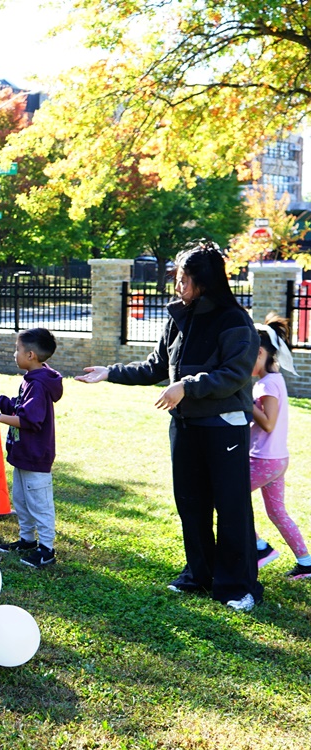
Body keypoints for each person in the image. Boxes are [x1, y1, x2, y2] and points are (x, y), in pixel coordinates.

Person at [76, 239, 263, 611]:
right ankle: (198, 575)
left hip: (224, 426)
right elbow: (155, 367)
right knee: (191, 503)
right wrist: (110, 372)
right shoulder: (179, 317)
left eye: (184, 279)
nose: (178, 285)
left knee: (231, 507)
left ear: (205, 281)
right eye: (178, 277)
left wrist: (186, 386)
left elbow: (234, 375)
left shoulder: (235, 320)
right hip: (185, 425)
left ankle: (238, 586)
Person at [0, 328, 63, 567]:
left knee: (40, 504)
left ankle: (47, 549)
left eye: (17, 349)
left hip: (36, 457)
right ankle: (27, 540)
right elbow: (20, 406)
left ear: (30, 355)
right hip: (23, 454)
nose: (15, 354)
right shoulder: (31, 379)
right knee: (22, 501)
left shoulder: (39, 385)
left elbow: (30, 420)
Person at [248, 313, 311, 579]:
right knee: (277, 512)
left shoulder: (266, 385)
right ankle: (306, 563)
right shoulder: (274, 381)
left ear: (260, 353)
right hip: (275, 459)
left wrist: (244, 401)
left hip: (264, 460)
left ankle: (260, 548)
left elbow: (268, 423)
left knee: (227, 498)